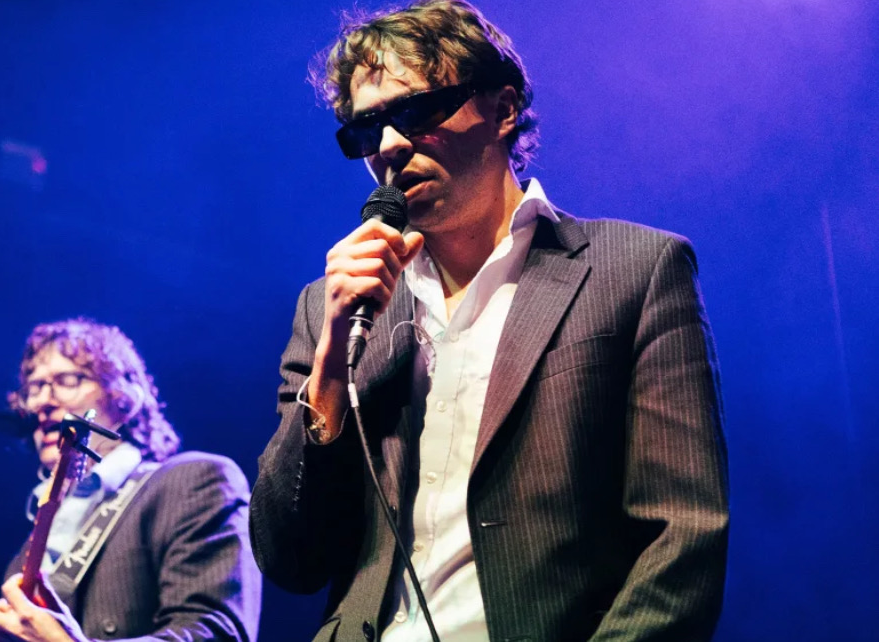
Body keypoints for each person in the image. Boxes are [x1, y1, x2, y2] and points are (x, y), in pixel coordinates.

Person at [249, 2, 729, 641]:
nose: (388, 146)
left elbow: (682, 538)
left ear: (503, 110)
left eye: (414, 112)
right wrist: (333, 363)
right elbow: (291, 558)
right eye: (366, 129)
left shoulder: (634, 271)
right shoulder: (331, 308)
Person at [0, 318, 261, 642]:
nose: (41, 402)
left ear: (124, 398)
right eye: (34, 388)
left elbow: (216, 633)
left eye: (67, 380)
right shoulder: (25, 554)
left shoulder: (192, 482)